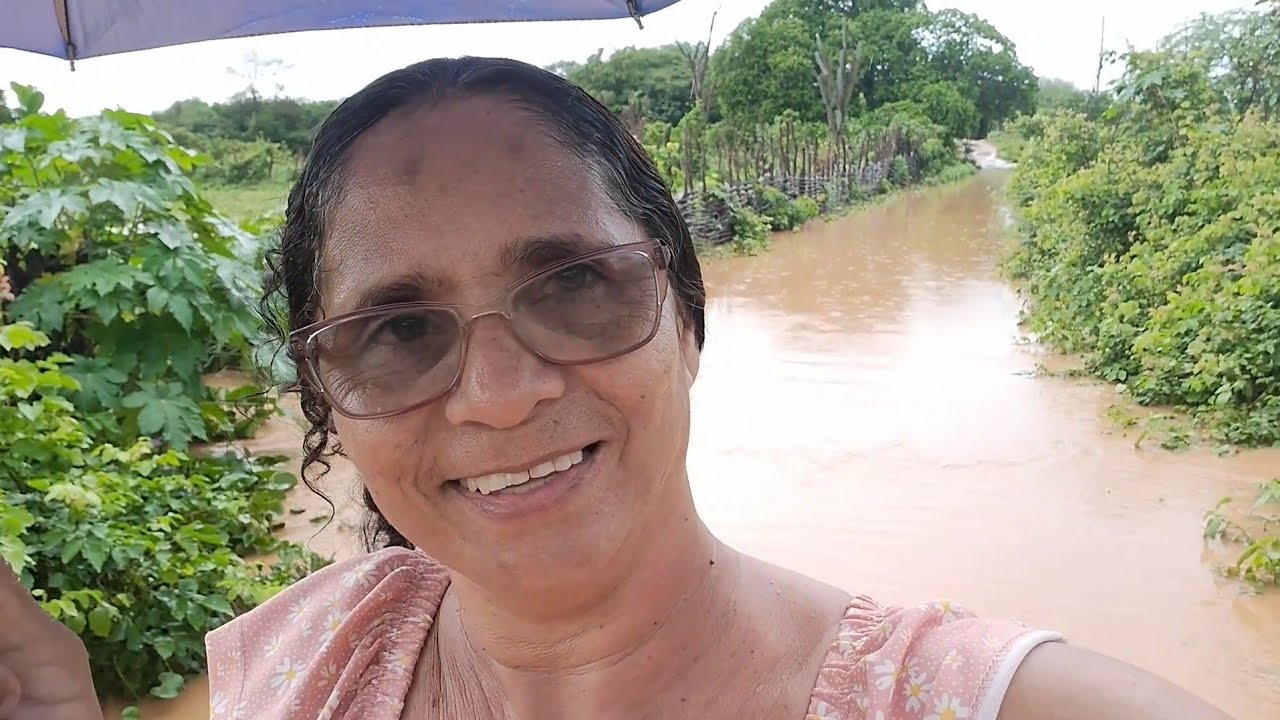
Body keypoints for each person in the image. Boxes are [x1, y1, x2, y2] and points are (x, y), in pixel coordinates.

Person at [0, 57, 1237, 720]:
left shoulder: (962, 701)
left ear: (687, 318)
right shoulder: (297, 663)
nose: (494, 394)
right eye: (399, 328)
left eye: (574, 286)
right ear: (329, 396)